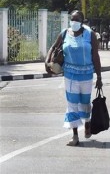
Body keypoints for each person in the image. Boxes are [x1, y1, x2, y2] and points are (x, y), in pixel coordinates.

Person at [45, 10, 103, 146]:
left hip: (87, 75)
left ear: (82, 21)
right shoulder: (65, 33)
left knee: (85, 102)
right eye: (72, 19)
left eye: (77, 20)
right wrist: (47, 61)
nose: (74, 22)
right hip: (70, 75)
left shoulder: (90, 34)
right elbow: (54, 47)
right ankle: (75, 135)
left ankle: (87, 121)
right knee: (72, 104)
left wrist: (99, 77)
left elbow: (95, 56)